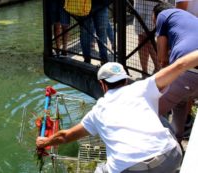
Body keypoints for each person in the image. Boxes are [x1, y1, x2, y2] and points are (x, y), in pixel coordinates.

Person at [36, 50, 198, 172]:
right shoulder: (144, 86)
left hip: (131, 169)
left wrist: (45, 142)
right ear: (126, 79)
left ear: (102, 84)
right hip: (170, 159)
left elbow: (65, 136)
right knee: (164, 125)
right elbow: (180, 65)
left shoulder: (97, 111)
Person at [153, 2, 198, 142]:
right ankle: (177, 140)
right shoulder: (189, 18)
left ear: (155, 16)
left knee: (150, 110)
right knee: (181, 102)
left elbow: (162, 58)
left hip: (188, 69)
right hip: (191, 72)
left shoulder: (163, 15)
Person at [133, 0, 159, 75]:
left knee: (149, 37)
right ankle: (144, 71)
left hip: (154, 4)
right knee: (141, 36)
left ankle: (158, 67)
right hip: (140, 3)